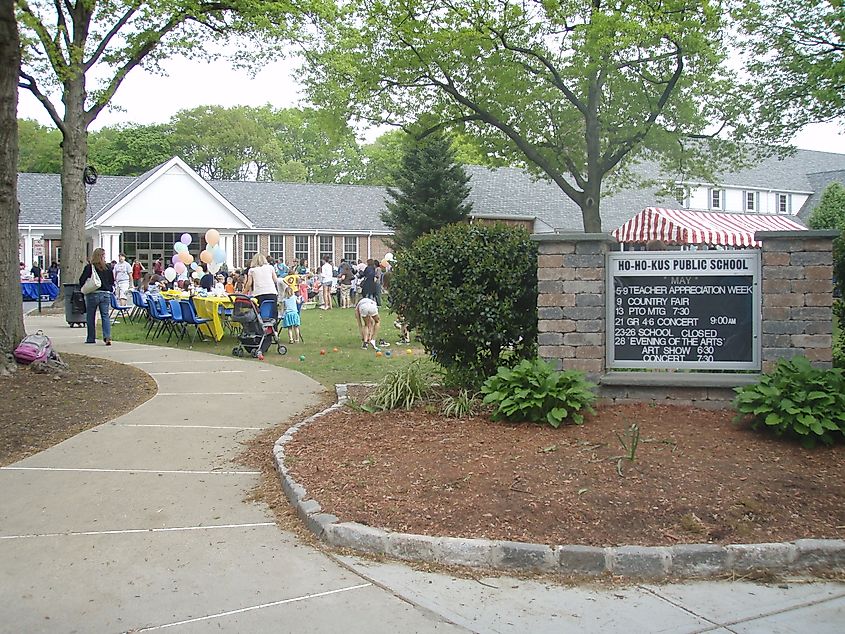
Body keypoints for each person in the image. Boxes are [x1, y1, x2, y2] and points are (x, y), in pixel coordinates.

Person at [79, 247, 115, 345]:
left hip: (93, 293)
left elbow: (81, 279)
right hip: (105, 294)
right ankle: (107, 336)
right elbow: (112, 281)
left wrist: (84, 287)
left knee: (91, 316)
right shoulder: (107, 267)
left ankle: (91, 337)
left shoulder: (90, 267)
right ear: (103, 256)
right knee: (105, 316)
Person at [243, 253, 279, 319]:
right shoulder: (270, 267)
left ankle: (260, 327)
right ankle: (274, 327)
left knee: (259, 312)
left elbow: (249, 284)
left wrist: (243, 293)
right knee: (273, 312)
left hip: (259, 293)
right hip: (272, 292)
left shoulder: (252, 270)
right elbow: (275, 280)